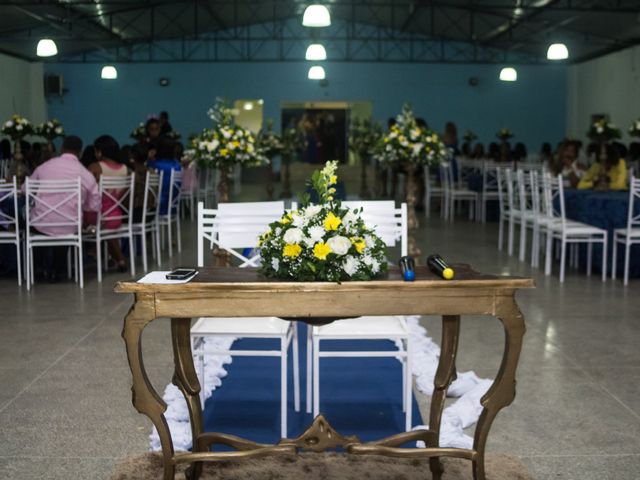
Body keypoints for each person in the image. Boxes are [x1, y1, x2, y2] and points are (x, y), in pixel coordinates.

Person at [24, 135, 100, 282]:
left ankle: (38, 268)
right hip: (70, 225)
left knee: (32, 222)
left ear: (62, 148)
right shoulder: (84, 173)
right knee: (66, 224)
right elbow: (94, 203)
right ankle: (57, 270)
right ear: (80, 152)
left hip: (41, 223)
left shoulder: (45, 167)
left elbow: (26, 189)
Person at [87, 135, 130, 272]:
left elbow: (85, 191)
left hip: (97, 217)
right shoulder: (126, 169)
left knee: (84, 218)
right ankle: (117, 259)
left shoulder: (95, 167)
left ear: (99, 151)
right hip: (117, 215)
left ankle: (92, 252)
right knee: (106, 227)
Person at [147, 137, 181, 215]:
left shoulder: (155, 164)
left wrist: (148, 158)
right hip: (172, 203)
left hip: (159, 204)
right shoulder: (176, 164)